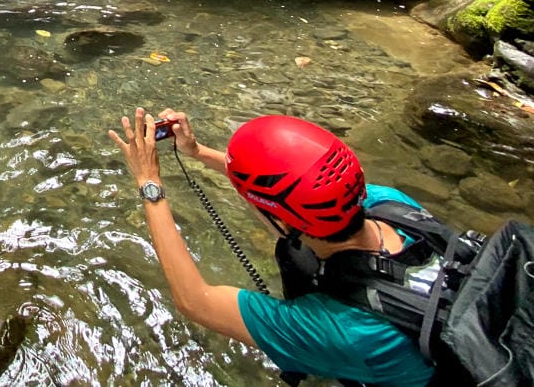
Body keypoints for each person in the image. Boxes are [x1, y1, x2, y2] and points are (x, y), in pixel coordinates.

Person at [108, 109, 438, 387]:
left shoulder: (345, 330)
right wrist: (196, 152)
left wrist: (148, 180)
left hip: (382, 351)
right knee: (297, 256)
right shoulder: (391, 205)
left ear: (282, 222)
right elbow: (300, 184)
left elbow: (195, 301)